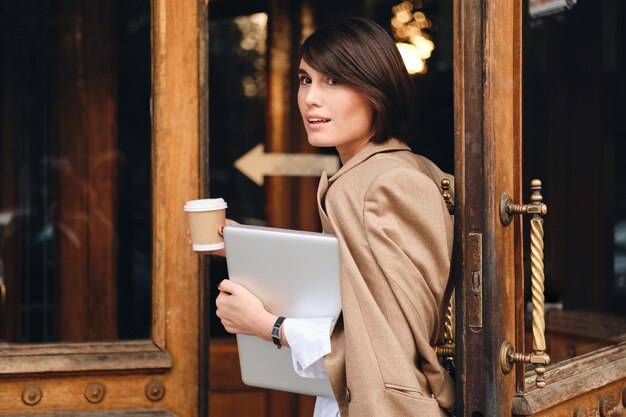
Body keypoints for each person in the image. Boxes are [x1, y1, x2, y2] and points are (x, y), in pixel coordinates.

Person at [211, 17, 455, 417]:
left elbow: (389, 348)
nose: (310, 98)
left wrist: (269, 326)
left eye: (334, 81)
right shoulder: (397, 172)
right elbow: (355, 292)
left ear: (378, 92)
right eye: (306, 80)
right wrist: (246, 249)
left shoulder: (381, 185)